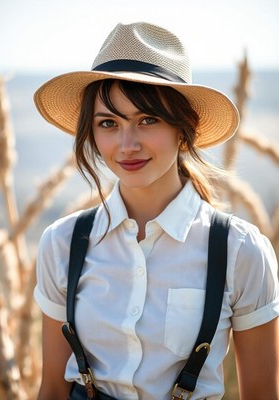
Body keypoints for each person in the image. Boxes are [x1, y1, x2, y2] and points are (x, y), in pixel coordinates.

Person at [33, 22, 279, 400]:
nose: (127, 144)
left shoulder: (241, 251)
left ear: (186, 129)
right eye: (108, 124)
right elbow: (51, 388)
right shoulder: (62, 244)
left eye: (148, 119)